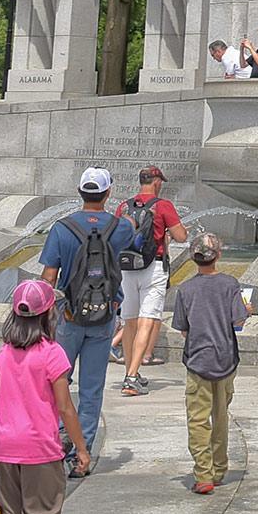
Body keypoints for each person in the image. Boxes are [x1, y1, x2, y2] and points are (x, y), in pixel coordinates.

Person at [37, 170, 136, 468]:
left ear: (79, 192)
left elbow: (49, 277)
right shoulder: (119, 228)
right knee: (92, 388)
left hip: (68, 316)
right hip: (104, 316)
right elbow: (133, 229)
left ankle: (57, 442)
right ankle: (83, 453)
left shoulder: (61, 228)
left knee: (57, 382)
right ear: (108, 194)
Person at [0, 278, 89, 514]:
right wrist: (81, 449)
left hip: (6, 447)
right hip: (40, 449)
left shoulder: (4, 354)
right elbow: (65, 407)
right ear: (49, 315)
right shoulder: (51, 353)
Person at [172, 232, 249, 494]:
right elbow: (237, 321)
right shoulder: (230, 284)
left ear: (194, 259)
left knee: (197, 420)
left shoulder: (186, 289)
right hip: (226, 359)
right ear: (219, 256)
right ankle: (219, 468)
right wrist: (246, 311)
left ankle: (203, 474)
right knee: (220, 417)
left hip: (197, 361)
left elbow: (183, 330)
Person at [114, 166, 188, 398]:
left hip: (126, 267)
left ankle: (130, 371)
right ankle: (132, 376)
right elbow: (182, 236)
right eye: (160, 181)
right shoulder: (163, 206)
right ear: (156, 182)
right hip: (153, 267)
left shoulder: (123, 206)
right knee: (147, 321)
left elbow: (116, 235)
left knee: (129, 321)